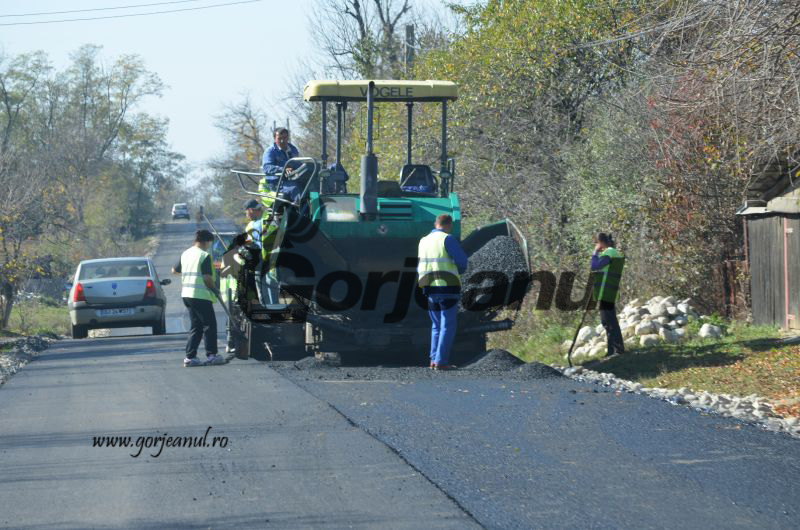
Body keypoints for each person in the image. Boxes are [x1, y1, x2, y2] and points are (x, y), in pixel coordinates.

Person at [417, 214, 468, 370]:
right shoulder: (447, 239)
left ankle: (433, 360)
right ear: (448, 224)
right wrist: (459, 271)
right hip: (447, 286)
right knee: (447, 325)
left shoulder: (423, 241)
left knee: (436, 325)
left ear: (435, 223)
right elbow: (462, 261)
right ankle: (441, 362)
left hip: (428, 286)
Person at [172, 229, 224, 367]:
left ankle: (190, 357)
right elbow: (207, 278)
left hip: (187, 295)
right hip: (200, 295)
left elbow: (174, 270)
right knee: (209, 325)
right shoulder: (204, 255)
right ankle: (212, 355)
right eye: (209, 243)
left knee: (196, 326)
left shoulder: (186, 253)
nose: (209, 246)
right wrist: (215, 289)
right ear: (206, 241)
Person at [590, 232, 626, 357]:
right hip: (605, 292)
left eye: (596, 243)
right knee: (606, 321)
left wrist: (595, 252)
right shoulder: (610, 252)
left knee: (610, 321)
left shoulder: (610, 252)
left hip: (607, 291)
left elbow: (594, 266)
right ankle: (611, 350)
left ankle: (618, 350)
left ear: (600, 242)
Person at [259, 127, 301, 209]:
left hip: (292, 178)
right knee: (294, 189)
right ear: (275, 139)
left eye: (284, 138)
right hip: (278, 182)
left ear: (287, 138)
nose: (282, 141)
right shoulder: (270, 151)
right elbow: (267, 167)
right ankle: (300, 213)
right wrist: (283, 169)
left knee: (311, 186)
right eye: (279, 138)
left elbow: (298, 163)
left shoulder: (293, 149)